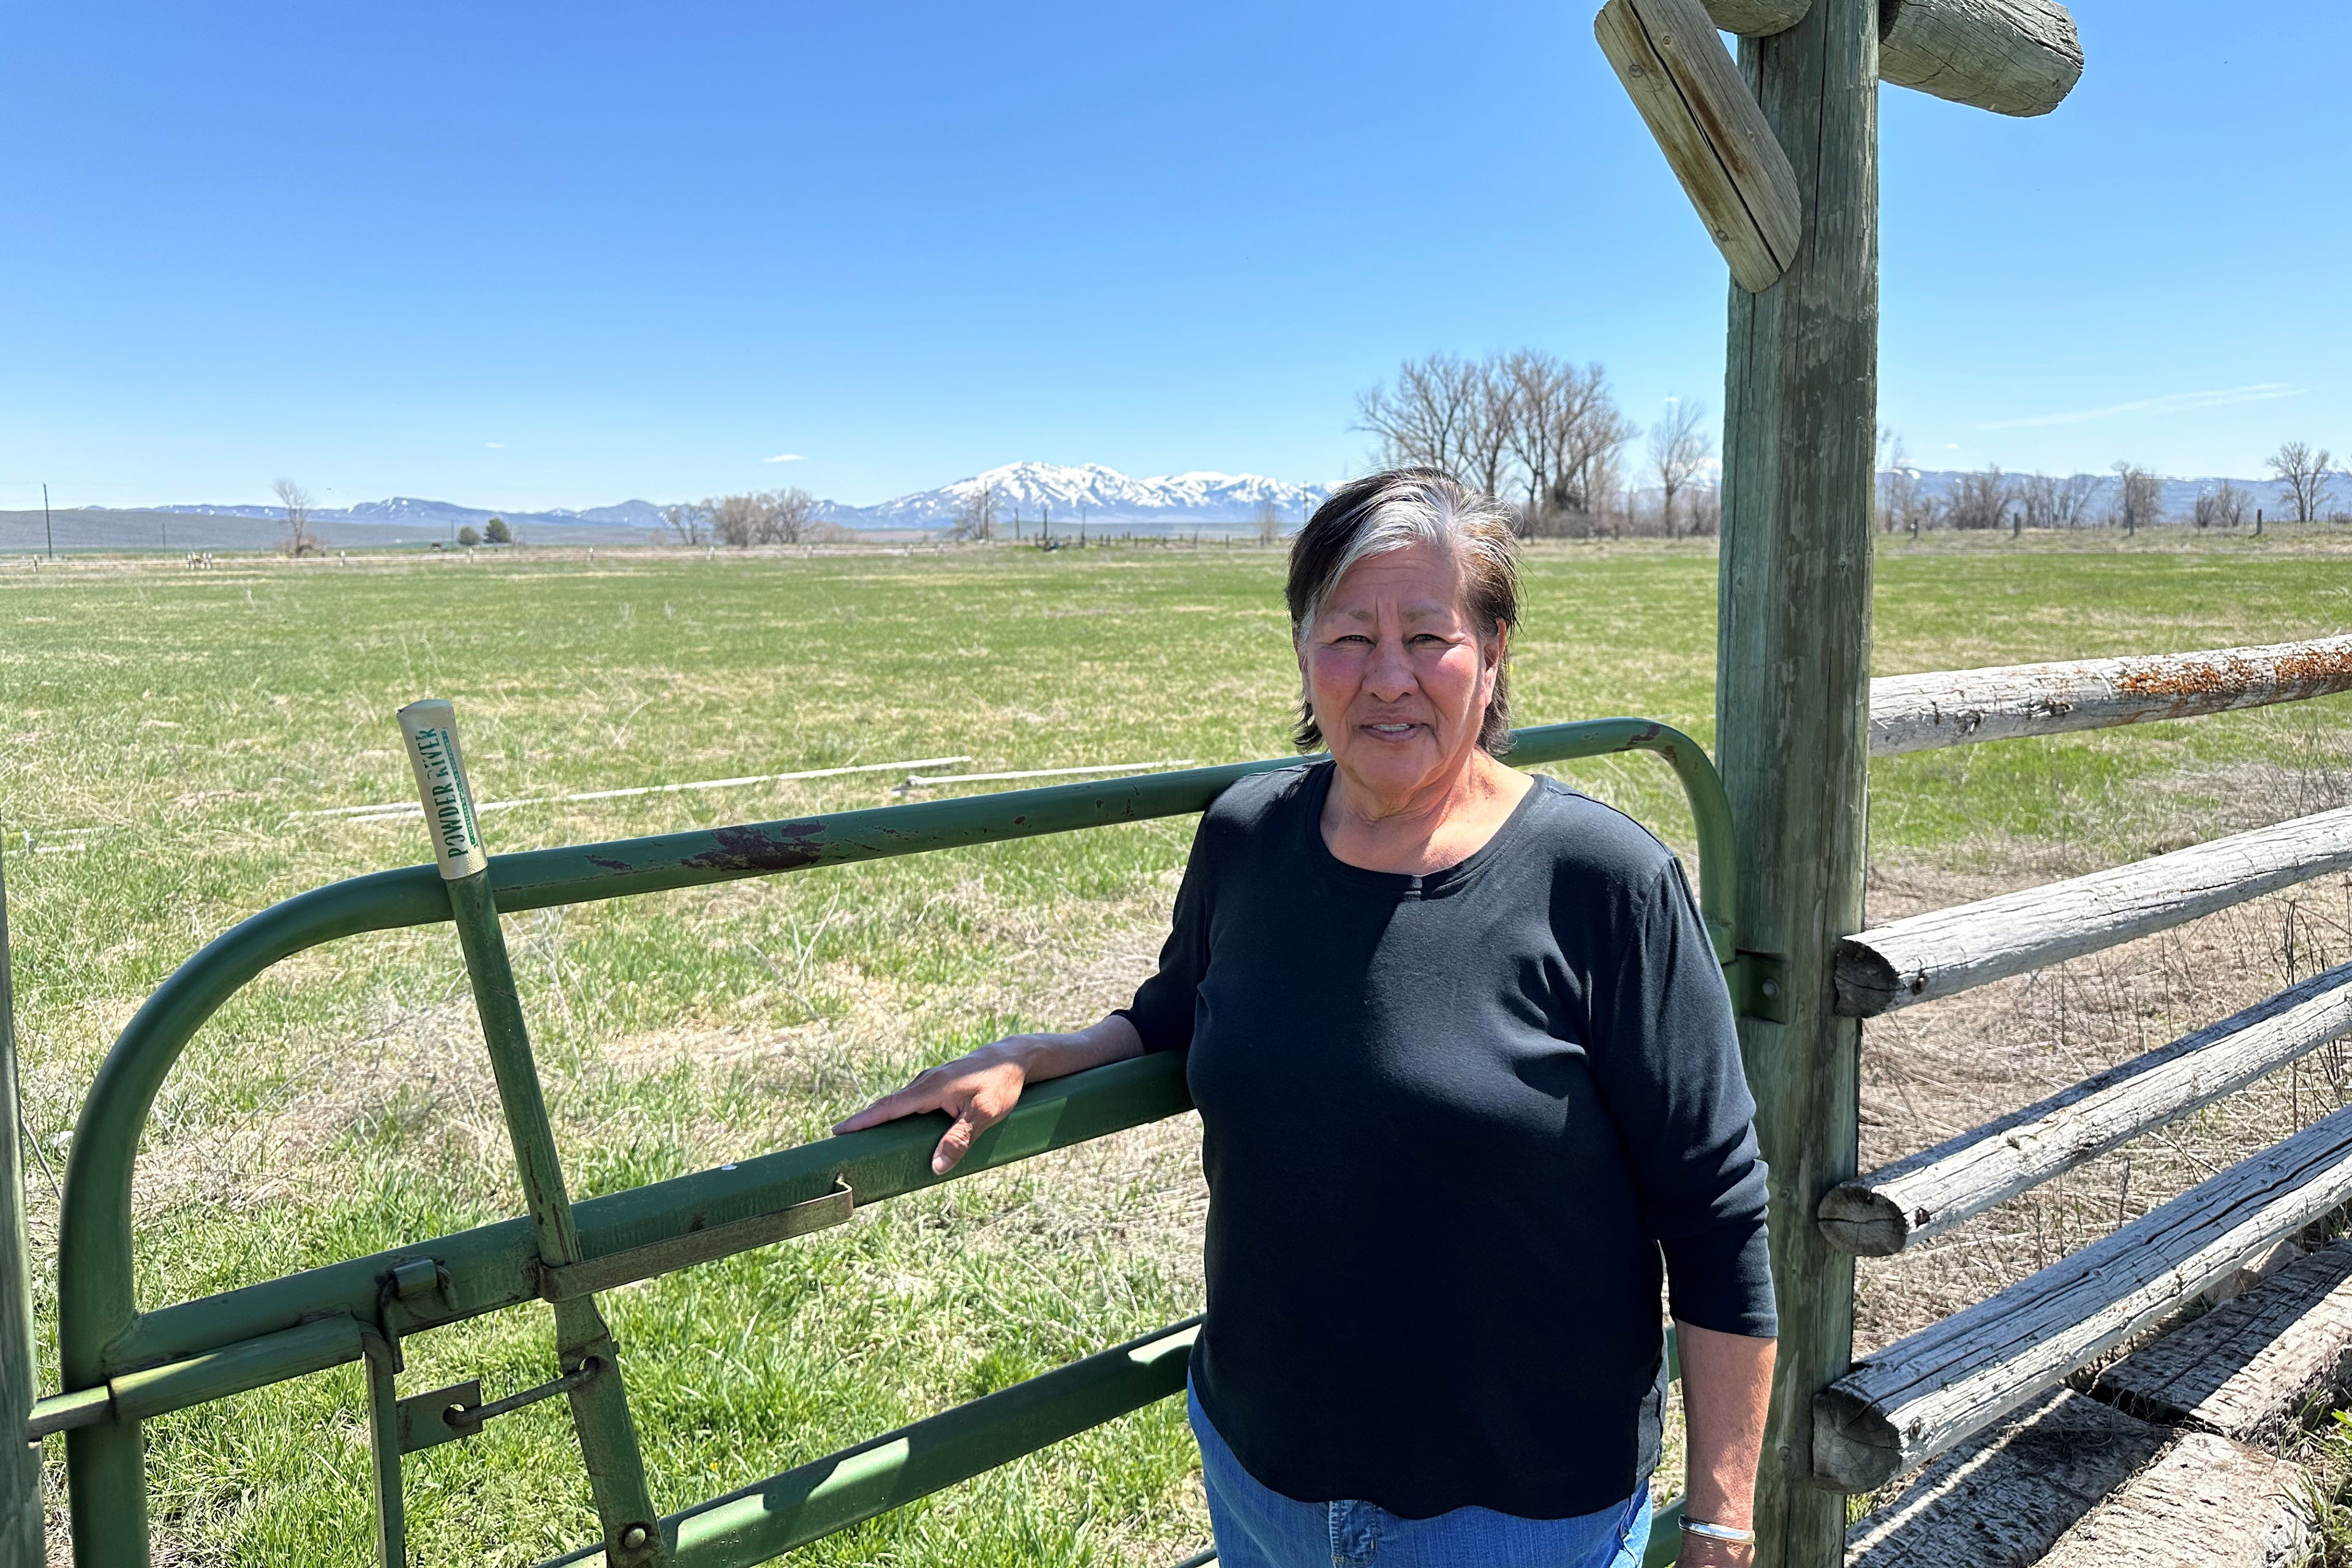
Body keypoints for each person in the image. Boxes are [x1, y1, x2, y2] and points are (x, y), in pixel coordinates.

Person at [838, 469, 1777, 1567]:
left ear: (1494, 649)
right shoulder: (1247, 837)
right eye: (1348, 635)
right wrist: (1046, 1056)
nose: (1389, 679)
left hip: (1512, 1515)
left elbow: (1717, 1214)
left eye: (1429, 635)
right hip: (1260, 1476)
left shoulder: (1602, 881)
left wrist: (1718, 1522)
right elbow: (1184, 1002)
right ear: (1300, 648)